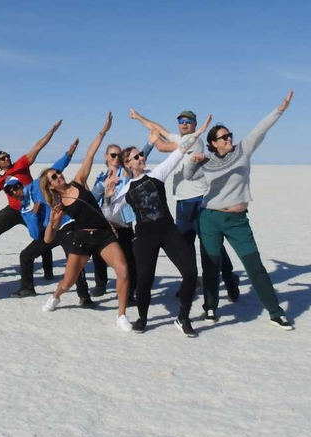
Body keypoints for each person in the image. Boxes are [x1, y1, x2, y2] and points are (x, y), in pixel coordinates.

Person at [183, 91, 294, 330]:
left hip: (237, 220)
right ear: (213, 143)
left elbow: (259, 129)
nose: (228, 139)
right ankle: (210, 307)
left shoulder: (243, 150)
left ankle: (275, 312)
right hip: (210, 217)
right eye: (223, 137)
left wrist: (280, 110)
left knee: (254, 266)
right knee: (211, 265)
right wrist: (193, 161)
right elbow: (189, 176)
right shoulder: (208, 162)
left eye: (229, 135)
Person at [103, 117, 213, 336]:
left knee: (190, 273)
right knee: (144, 280)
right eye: (136, 156)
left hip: (168, 230)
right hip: (144, 236)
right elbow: (109, 214)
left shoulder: (157, 174)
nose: (141, 157)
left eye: (141, 154)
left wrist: (197, 133)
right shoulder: (126, 189)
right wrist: (107, 197)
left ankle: (183, 317)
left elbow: (179, 151)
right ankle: (142, 318)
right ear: (128, 164)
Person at [128, 107, 239, 302]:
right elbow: (159, 129)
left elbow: (161, 145)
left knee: (211, 245)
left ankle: (230, 280)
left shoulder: (192, 140)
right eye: (181, 121)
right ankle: (192, 281)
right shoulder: (179, 138)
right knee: (185, 244)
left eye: (188, 121)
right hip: (182, 201)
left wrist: (151, 133)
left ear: (195, 125)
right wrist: (138, 117)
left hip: (198, 199)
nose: (184, 124)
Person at [38, 112, 134, 331]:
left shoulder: (79, 181)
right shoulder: (58, 204)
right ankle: (56, 296)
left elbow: (89, 154)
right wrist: (54, 221)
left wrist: (103, 131)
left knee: (123, 270)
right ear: (51, 186)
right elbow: (48, 238)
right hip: (82, 238)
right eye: (54, 177)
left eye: (58, 173)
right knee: (68, 281)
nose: (59, 176)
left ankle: (121, 315)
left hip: (103, 234)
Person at [0, 122, 63, 274]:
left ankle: (48, 270)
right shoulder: (1, 180)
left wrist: (51, 131)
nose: (7, 158)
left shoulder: (21, 164)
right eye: (3, 158)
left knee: (42, 235)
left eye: (8, 156)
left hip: (31, 208)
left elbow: (37, 147)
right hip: (13, 210)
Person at [7, 163, 92, 305]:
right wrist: (33, 214)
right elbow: (35, 235)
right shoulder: (24, 209)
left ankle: (84, 297)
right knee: (26, 255)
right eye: (11, 191)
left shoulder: (35, 186)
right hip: (51, 231)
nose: (15, 191)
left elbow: (52, 172)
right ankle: (27, 288)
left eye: (16, 187)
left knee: (73, 260)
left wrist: (68, 155)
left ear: (21, 185)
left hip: (66, 226)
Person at [89, 139, 155, 303]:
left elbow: (135, 159)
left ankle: (130, 292)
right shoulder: (102, 176)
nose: (116, 158)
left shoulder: (125, 173)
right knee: (98, 255)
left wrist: (150, 143)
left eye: (119, 155)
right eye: (113, 155)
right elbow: (93, 197)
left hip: (122, 224)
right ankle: (101, 284)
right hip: (103, 222)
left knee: (128, 258)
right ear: (106, 156)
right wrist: (102, 186)